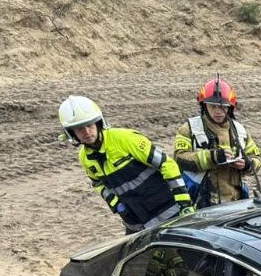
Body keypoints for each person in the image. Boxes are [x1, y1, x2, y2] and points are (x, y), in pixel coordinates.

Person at [59, 95, 193, 234]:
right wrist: (116, 204)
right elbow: (98, 184)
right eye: (80, 128)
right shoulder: (84, 157)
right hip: (135, 222)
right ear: (71, 133)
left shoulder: (125, 138)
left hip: (169, 211)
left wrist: (184, 202)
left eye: (89, 125)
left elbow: (166, 164)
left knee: (186, 252)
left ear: (98, 123)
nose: (87, 132)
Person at [174, 78, 261, 207]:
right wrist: (213, 157)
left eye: (222, 106)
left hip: (236, 202)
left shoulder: (240, 131)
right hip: (202, 202)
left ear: (230, 107)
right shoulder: (190, 128)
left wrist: (247, 164)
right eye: (212, 106)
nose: (218, 111)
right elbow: (180, 158)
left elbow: (256, 159)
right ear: (204, 105)